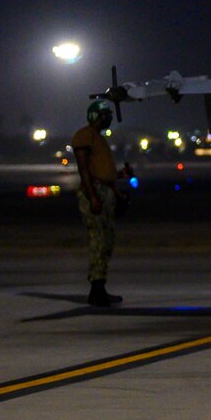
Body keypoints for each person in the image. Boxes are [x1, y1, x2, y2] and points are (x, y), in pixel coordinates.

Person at [71, 98, 128, 307]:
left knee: (107, 241)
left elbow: (103, 172)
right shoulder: (85, 136)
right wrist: (93, 196)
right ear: (96, 117)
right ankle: (96, 290)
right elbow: (84, 170)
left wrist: (120, 178)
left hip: (104, 192)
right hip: (94, 192)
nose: (109, 119)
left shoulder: (100, 139)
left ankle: (100, 287)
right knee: (98, 240)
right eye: (106, 116)